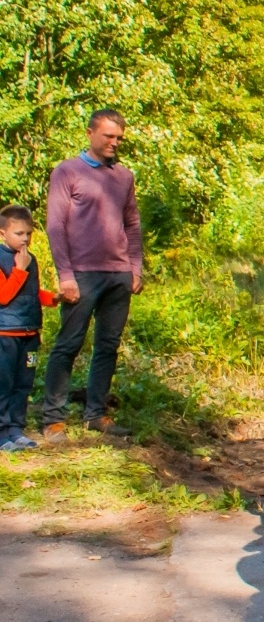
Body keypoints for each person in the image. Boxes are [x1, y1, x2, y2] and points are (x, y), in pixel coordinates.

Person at [40, 109, 143, 442]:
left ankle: (95, 414)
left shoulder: (124, 176)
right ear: (90, 133)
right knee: (68, 344)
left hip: (118, 274)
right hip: (81, 274)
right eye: (108, 136)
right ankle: (53, 418)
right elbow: (56, 226)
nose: (114, 143)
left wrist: (135, 267)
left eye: (119, 138)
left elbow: (132, 224)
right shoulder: (67, 172)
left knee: (108, 347)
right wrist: (65, 275)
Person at [0, 206, 57, 451]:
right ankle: (2, 434)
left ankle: (16, 429)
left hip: (30, 333)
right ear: (3, 233)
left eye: (29, 234)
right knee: (4, 384)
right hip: (6, 334)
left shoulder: (29, 259)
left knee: (23, 384)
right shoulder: (7, 260)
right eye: (19, 233)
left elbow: (30, 293)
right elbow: (3, 296)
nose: (25, 239)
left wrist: (53, 298)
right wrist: (19, 270)